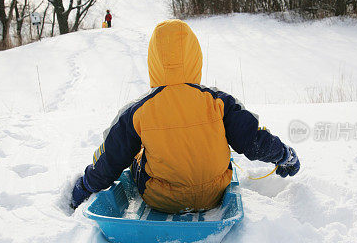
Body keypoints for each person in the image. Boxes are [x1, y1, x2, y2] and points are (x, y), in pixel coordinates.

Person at [71, 19, 300, 212]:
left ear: (154, 61)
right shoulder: (217, 101)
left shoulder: (139, 110)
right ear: (195, 56)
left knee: (134, 155)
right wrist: (283, 155)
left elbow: (110, 159)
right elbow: (253, 140)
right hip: (215, 194)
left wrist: (86, 185)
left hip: (161, 199)